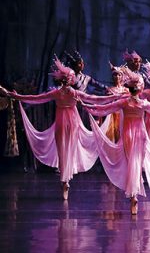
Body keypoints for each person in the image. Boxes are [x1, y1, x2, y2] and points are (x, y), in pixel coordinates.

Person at [0, 57, 117, 200]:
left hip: (63, 121)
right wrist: (114, 98)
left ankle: (64, 180)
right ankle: (66, 179)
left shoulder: (57, 93)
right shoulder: (75, 93)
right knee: (69, 149)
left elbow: (36, 98)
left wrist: (16, 96)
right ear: (70, 80)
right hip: (72, 122)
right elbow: (95, 99)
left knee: (62, 149)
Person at [83, 70, 150, 215]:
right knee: (137, 161)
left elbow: (104, 108)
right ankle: (135, 191)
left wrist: (88, 107)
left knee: (131, 161)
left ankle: (133, 194)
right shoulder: (143, 103)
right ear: (139, 89)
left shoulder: (124, 102)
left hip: (128, 134)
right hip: (140, 134)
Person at [105, 64, 129, 142]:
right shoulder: (109, 89)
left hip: (124, 114)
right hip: (113, 115)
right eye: (115, 75)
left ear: (122, 76)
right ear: (112, 77)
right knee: (113, 134)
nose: (117, 77)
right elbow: (107, 103)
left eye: (119, 75)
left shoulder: (126, 90)